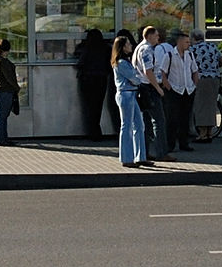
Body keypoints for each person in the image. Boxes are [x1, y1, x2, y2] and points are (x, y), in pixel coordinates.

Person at [131, 26, 173, 162]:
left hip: (142, 87)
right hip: (149, 88)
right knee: (159, 121)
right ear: (148, 36)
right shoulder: (147, 49)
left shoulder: (139, 48)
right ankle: (162, 152)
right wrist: (158, 88)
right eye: (156, 35)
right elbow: (148, 71)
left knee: (146, 122)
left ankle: (145, 151)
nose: (158, 38)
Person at [112, 34, 147, 167]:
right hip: (126, 94)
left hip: (132, 94)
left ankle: (140, 156)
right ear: (122, 47)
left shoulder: (126, 61)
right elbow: (134, 78)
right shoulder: (121, 63)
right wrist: (139, 80)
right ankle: (126, 158)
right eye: (128, 44)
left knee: (139, 124)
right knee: (126, 126)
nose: (130, 46)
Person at [73, 28, 113, 141]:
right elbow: (109, 65)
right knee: (97, 106)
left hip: (87, 79)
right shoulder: (106, 48)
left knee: (88, 106)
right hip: (101, 79)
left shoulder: (86, 48)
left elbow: (80, 63)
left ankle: (91, 131)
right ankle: (96, 131)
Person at [162, 31, 198, 154]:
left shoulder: (190, 55)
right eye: (186, 42)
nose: (189, 44)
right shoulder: (170, 55)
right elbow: (163, 73)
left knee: (185, 118)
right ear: (179, 42)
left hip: (188, 90)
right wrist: (168, 87)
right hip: (174, 90)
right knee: (172, 119)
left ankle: (184, 143)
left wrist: (194, 85)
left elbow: (194, 71)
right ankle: (170, 144)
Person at [189, 31, 222, 142]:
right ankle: (209, 133)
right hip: (215, 78)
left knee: (200, 106)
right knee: (211, 105)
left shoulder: (192, 50)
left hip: (201, 79)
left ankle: (202, 134)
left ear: (193, 38)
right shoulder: (212, 46)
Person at [0, 39, 18, 146]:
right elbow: (9, 78)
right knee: (2, 116)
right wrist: (17, 87)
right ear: (7, 49)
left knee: (1, 115)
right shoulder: (3, 62)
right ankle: (1, 139)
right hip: (5, 90)